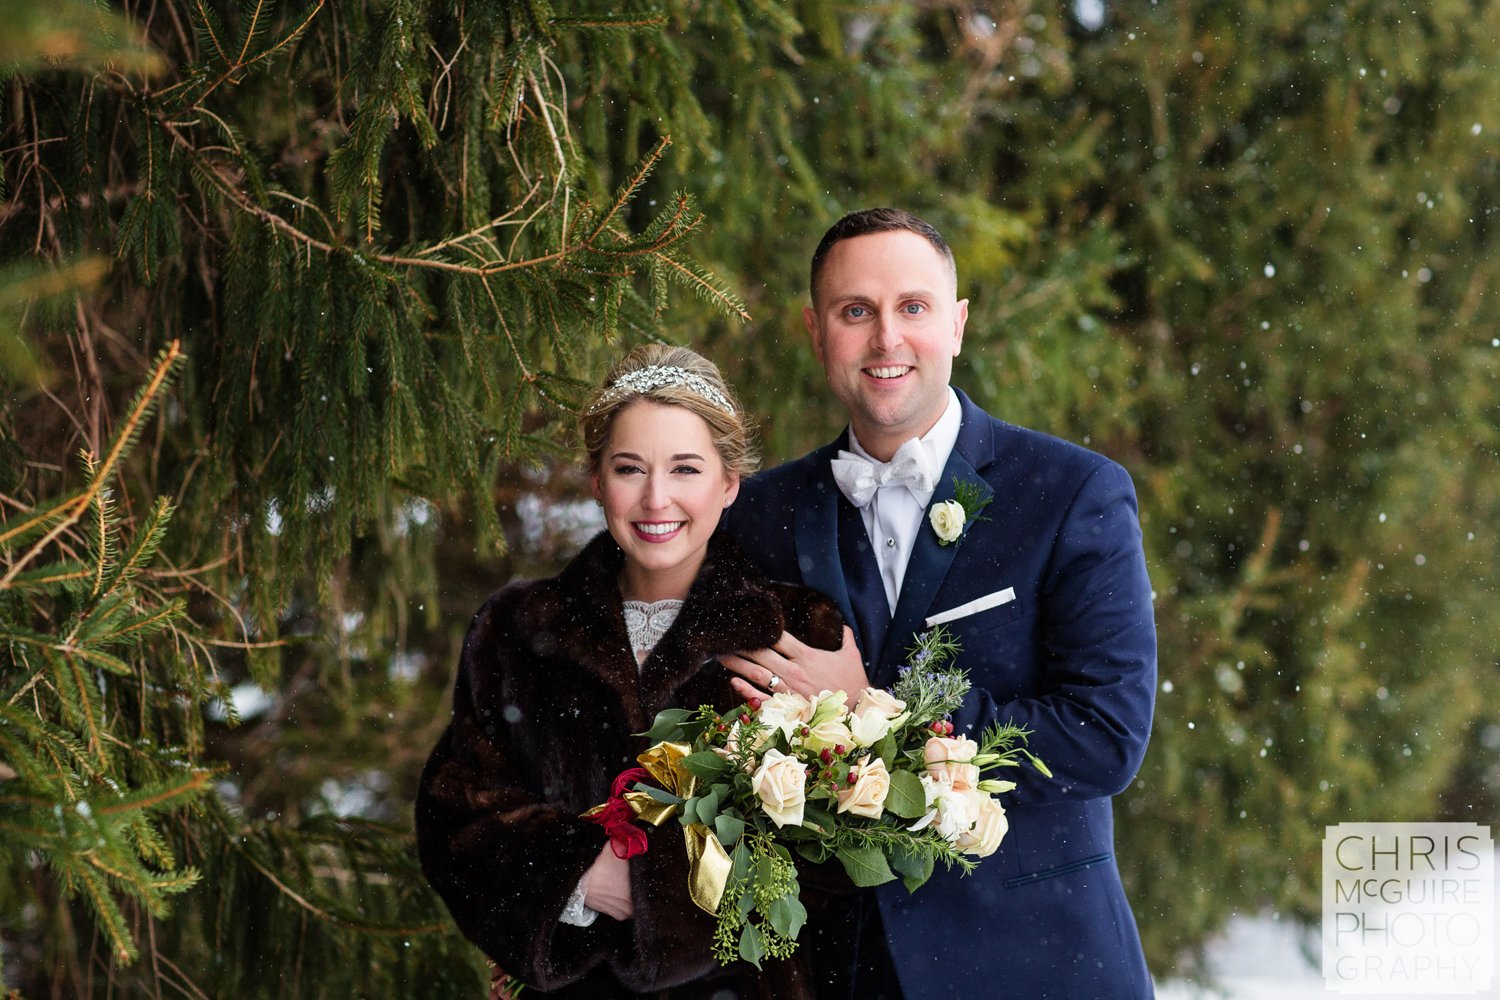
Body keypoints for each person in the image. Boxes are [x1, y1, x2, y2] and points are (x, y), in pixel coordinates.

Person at [721, 208, 1157, 999]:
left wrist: (875, 715)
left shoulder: (1072, 494)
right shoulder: (758, 515)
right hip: (837, 972)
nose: (886, 338)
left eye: (912, 308)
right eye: (856, 312)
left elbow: (1105, 736)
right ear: (817, 333)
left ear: (955, 325)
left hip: (1038, 963)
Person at [415, 344, 847, 999]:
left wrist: (653, 895)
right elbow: (456, 820)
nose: (655, 499)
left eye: (685, 469)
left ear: (728, 483)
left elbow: (831, 850)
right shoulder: (517, 629)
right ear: (596, 479)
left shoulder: (795, 627)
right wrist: (580, 875)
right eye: (628, 468)